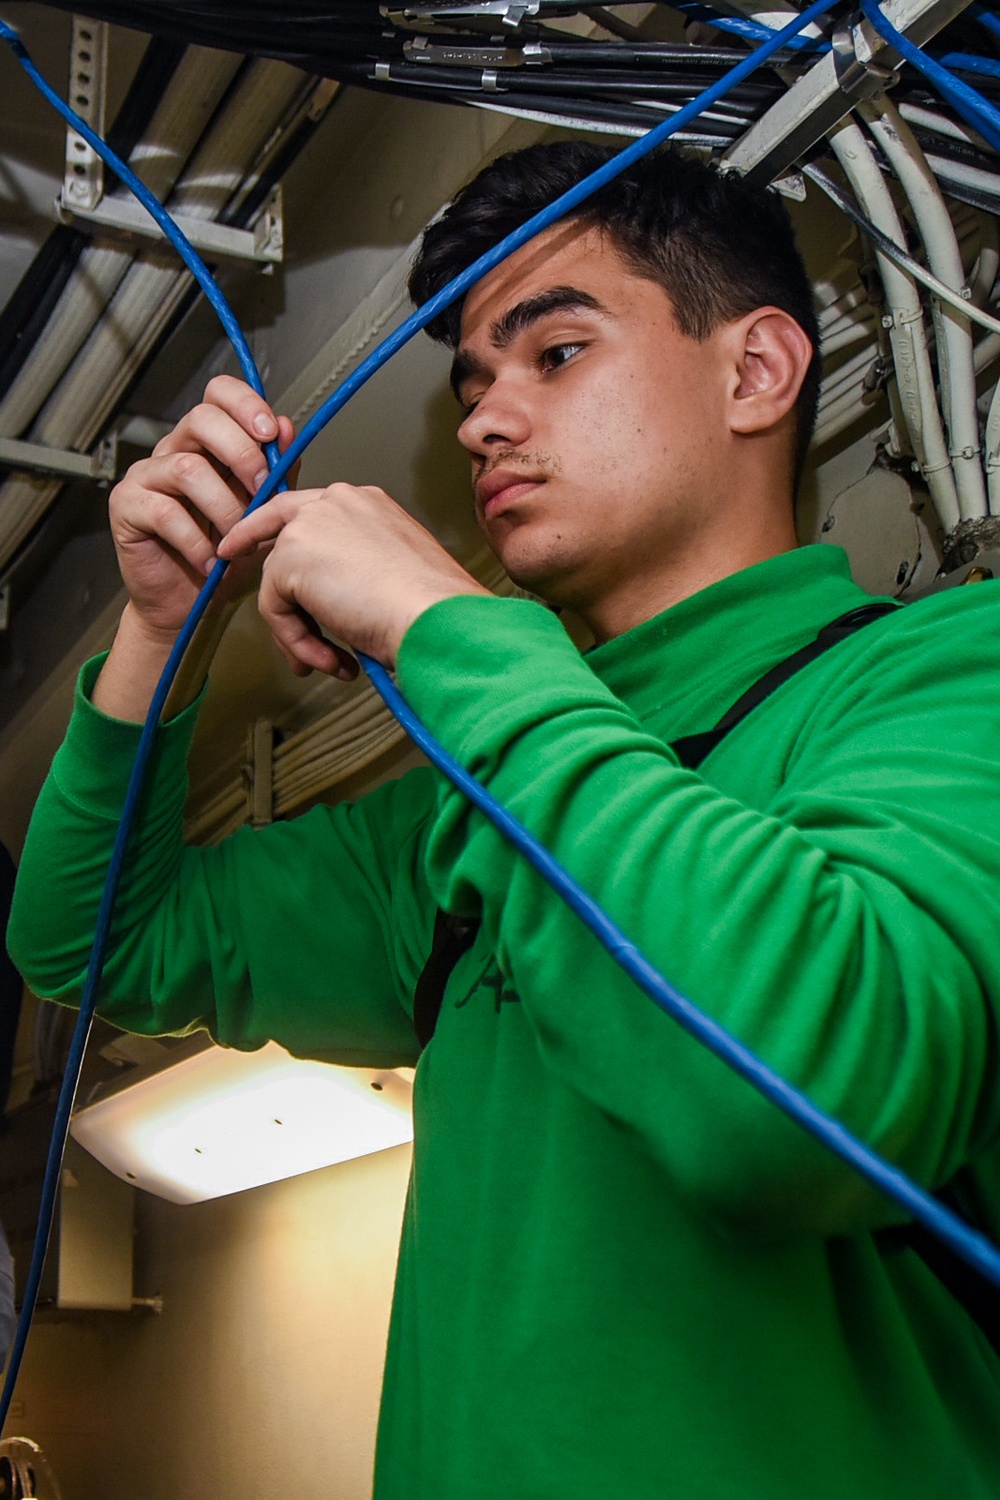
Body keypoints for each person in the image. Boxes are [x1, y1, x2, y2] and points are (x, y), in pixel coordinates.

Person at [9, 141, 1000, 1497]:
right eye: (471, 382)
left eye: (556, 354)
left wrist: (450, 629)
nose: (480, 419)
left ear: (758, 371)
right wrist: (160, 637)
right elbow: (89, 942)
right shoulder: (455, 814)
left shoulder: (949, 672)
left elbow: (802, 1093)